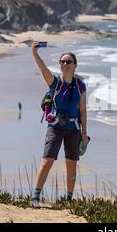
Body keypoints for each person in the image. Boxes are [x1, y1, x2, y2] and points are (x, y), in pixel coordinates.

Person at [30, 41, 89, 207]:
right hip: (55, 127)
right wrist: (35, 54)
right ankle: (35, 197)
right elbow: (43, 69)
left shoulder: (81, 86)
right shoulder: (55, 83)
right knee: (47, 161)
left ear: (75, 65)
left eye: (69, 61)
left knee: (71, 163)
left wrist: (84, 133)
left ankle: (69, 199)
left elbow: (83, 111)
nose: (65, 64)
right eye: (62, 62)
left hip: (73, 129)